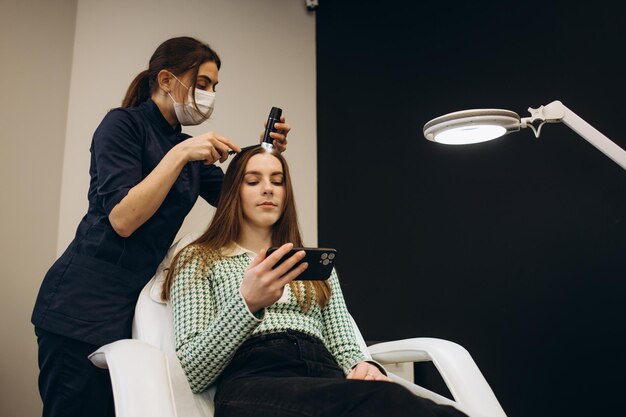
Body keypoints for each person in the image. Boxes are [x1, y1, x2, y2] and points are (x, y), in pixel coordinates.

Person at [31, 36, 290, 417]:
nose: (209, 95)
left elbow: (239, 199)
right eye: (202, 84)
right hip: (79, 306)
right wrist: (183, 152)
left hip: (125, 312)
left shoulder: (188, 151)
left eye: (214, 87)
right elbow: (122, 219)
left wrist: (268, 157)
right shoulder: (123, 126)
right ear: (167, 80)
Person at [163, 146, 467, 417]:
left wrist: (364, 366)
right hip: (256, 378)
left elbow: (344, 342)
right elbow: (192, 371)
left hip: (325, 373)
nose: (267, 189)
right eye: (253, 181)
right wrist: (247, 303)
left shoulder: (313, 265)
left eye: (277, 181)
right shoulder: (200, 259)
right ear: (233, 191)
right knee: (385, 401)